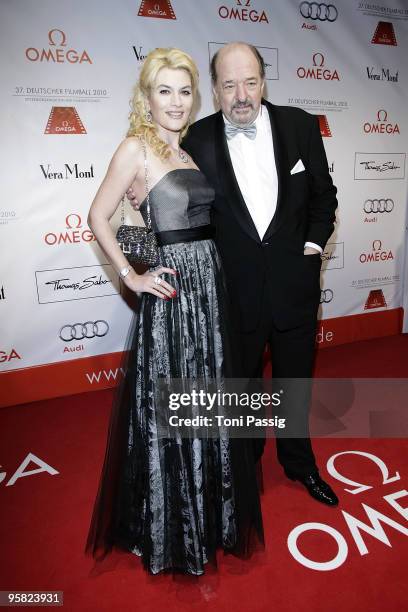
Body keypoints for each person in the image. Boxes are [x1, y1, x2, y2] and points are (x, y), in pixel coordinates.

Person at [85, 47, 264, 576]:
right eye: (164, 90)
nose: (177, 101)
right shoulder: (135, 150)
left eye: (185, 91)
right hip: (174, 298)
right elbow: (97, 215)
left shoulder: (186, 154)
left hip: (209, 290)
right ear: (146, 98)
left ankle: (210, 511)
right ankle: (171, 521)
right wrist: (132, 275)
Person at [180, 42, 339, 506]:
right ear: (214, 90)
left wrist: (311, 250)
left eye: (250, 82)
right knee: (241, 386)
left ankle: (299, 463)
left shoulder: (300, 125)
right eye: (229, 85)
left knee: (295, 383)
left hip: (296, 286)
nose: (241, 94)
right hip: (235, 291)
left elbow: (323, 198)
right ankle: (243, 473)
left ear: (264, 81)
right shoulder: (197, 140)